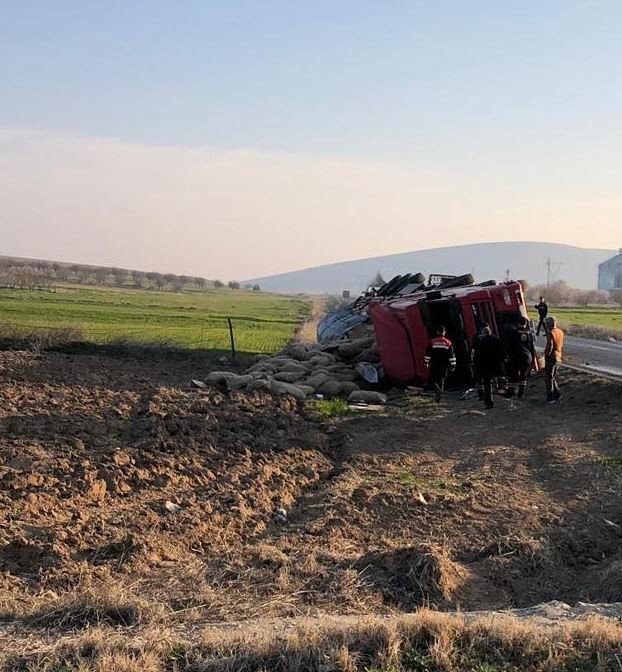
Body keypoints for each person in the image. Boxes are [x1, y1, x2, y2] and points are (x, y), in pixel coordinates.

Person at [472, 326, 505, 409]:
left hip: (485, 367)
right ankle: (505, 393)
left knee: (487, 384)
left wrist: (476, 365)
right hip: (496, 365)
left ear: (483, 333)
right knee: (500, 379)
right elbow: (502, 352)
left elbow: (477, 356)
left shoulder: (481, 342)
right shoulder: (497, 340)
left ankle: (489, 402)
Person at [505, 317, 537, 399]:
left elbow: (510, 345)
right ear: (526, 323)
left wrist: (507, 355)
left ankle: (510, 392)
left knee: (512, 375)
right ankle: (521, 393)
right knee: (523, 376)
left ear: (518, 323)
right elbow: (532, 347)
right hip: (527, 357)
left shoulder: (514, 332)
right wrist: (532, 358)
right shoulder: (529, 333)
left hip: (516, 356)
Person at [424, 326, 457, 403]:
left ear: (437, 332)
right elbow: (452, 355)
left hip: (435, 363)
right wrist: (453, 365)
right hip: (444, 364)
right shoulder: (448, 343)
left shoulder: (432, 342)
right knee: (441, 379)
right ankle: (439, 397)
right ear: (444, 332)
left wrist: (426, 362)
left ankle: (437, 391)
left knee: (432, 380)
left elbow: (427, 354)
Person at [544, 315, 564, 403]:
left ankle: (550, 397)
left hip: (552, 357)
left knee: (548, 378)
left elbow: (550, 345)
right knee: (552, 377)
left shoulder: (551, 333)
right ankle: (557, 394)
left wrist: (546, 354)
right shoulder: (560, 332)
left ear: (549, 324)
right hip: (559, 356)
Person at [470, 324, 489, 400]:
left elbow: (473, 349)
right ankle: (488, 394)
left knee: (479, 378)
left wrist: (471, 359)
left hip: (478, 360)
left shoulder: (476, 336)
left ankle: (481, 395)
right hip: (487, 359)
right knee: (487, 378)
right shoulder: (489, 337)